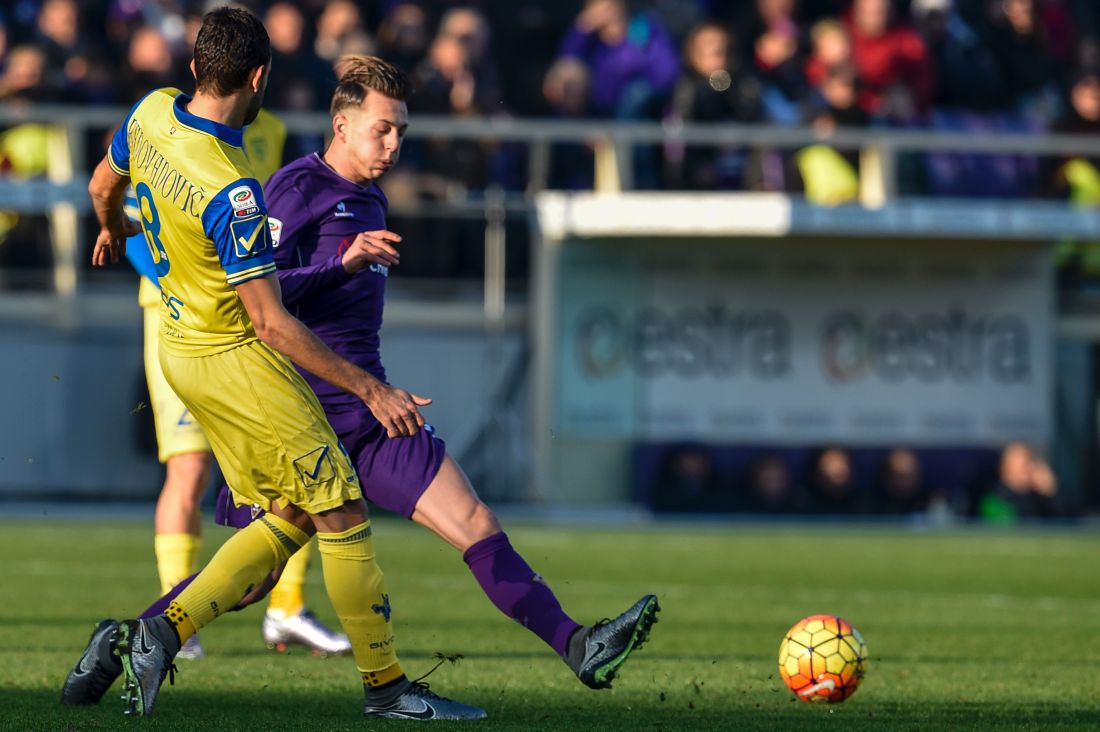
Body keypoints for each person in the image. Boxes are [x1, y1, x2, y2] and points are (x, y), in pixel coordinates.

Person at [127, 52, 660, 693]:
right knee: (254, 579)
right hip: (302, 413)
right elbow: (259, 299)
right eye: (382, 129)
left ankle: (579, 645)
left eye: (401, 131)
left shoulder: (372, 199)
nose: (393, 143)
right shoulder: (295, 189)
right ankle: (126, 641)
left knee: (474, 523)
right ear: (342, 125)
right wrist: (341, 264)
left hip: (373, 409)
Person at [60, 7, 484, 720]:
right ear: (259, 77)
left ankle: (142, 636)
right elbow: (270, 321)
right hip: (235, 360)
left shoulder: (151, 111)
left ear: (195, 66)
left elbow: (103, 185)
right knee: (341, 508)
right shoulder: (235, 191)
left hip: (176, 349)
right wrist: (370, 389)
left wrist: (111, 229)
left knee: (285, 522)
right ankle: (387, 689)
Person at [129, 86, 348, 661]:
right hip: (182, 323)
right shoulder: (164, 117)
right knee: (189, 470)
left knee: (299, 468)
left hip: (248, 322)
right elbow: (134, 224)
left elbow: (271, 232)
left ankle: (287, 608)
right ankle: (175, 621)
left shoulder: (269, 131)